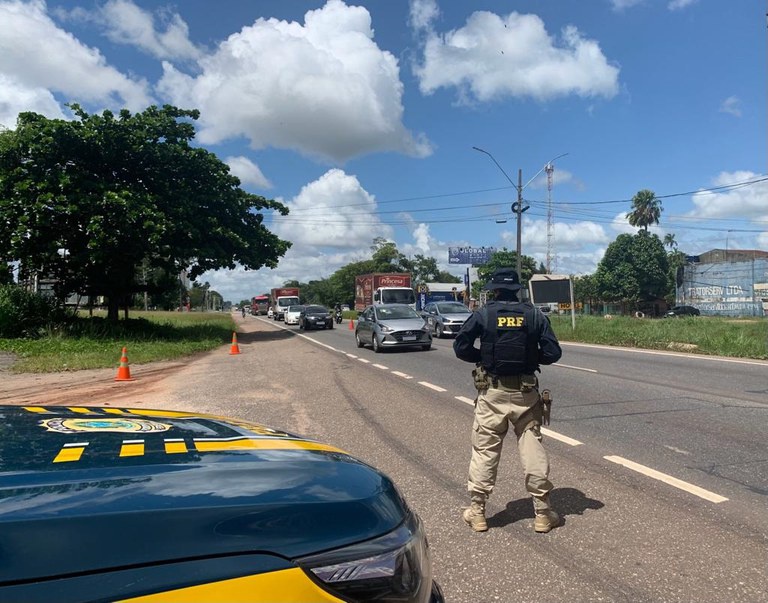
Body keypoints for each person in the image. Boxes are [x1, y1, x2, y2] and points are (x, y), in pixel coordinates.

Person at [453, 267, 562, 534]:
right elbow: (553, 352)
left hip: (492, 393)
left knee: (485, 451)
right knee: (532, 448)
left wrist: (483, 357)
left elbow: (461, 347)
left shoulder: (484, 314)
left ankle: (478, 513)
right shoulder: (534, 315)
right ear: (518, 290)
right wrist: (530, 359)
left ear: (494, 290)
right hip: (526, 394)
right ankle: (543, 513)